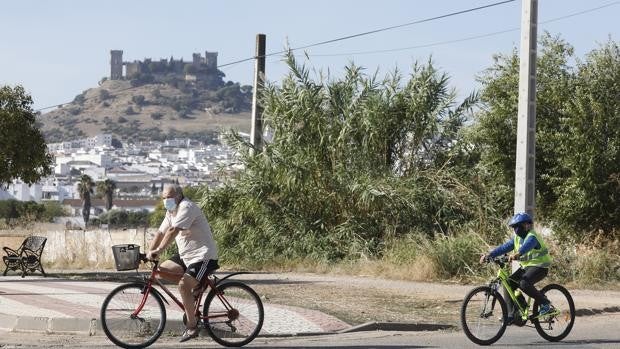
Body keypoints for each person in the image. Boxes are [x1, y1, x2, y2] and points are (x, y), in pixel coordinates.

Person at [147, 184, 219, 342]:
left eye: (169, 197)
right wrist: (149, 252)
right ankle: (198, 285)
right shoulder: (170, 211)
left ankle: (192, 326)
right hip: (185, 256)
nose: (166, 201)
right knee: (162, 270)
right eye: (164, 198)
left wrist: (158, 250)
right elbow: (160, 232)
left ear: (179, 196)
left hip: (203, 256)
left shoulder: (187, 207)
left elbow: (173, 231)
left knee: (183, 285)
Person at [480, 212, 553, 324]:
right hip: (527, 267)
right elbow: (504, 248)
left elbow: (527, 246)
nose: (516, 229)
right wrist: (489, 255)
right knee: (508, 283)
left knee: (524, 284)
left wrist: (518, 253)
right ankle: (513, 314)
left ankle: (545, 304)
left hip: (540, 266)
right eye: (514, 227)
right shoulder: (517, 239)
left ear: (527, 225)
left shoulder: (532, 236)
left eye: (519, 226)